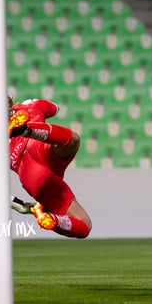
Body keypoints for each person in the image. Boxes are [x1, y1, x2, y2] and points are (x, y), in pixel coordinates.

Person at [9, 98, 92, 239]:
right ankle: (27, 130)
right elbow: (54, 107)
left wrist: (19, 204)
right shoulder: (31, 106)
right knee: (73, 140)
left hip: (31, 176)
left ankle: (50, 218)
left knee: (84, 225)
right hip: (38, 147)